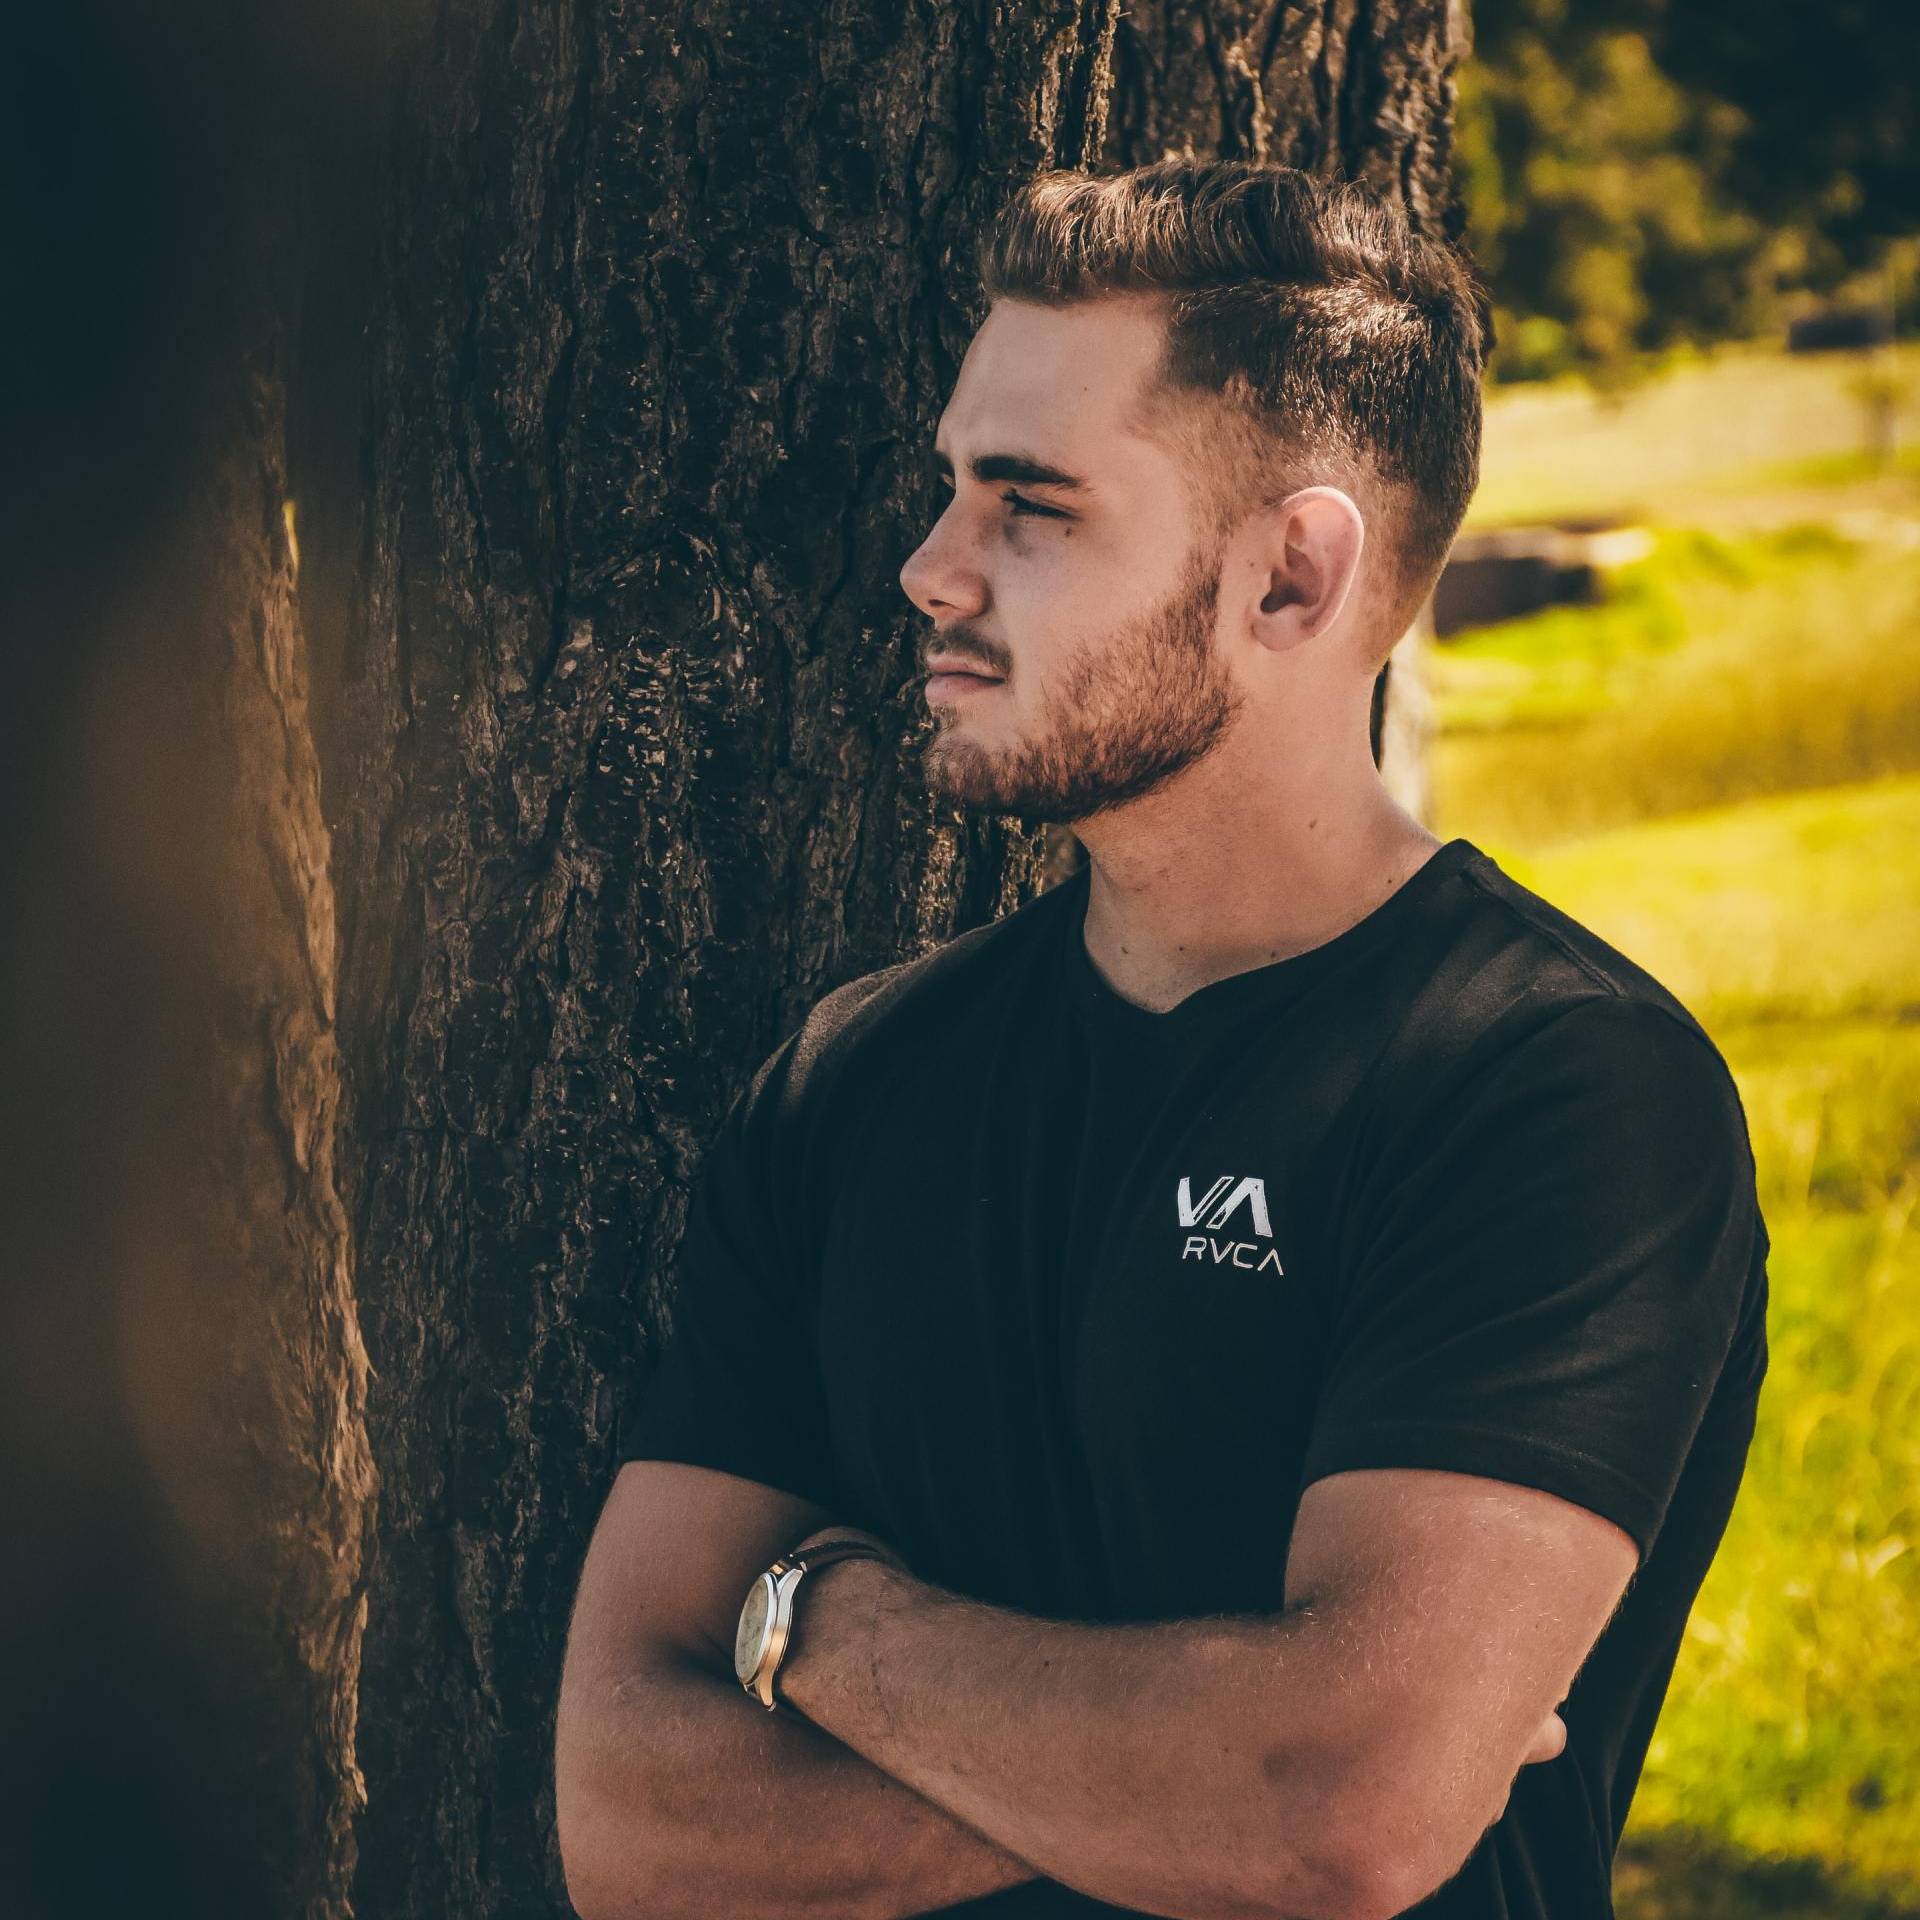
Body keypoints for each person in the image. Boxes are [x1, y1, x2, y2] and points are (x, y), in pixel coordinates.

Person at [554, 159, 1769, 1920]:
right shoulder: (851, 1083)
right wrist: (1214, 1769)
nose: (925, 569)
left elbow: (1331, 1817)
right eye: (951, 489)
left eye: (1029, 507)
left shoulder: (1556, 1090)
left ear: (1292, 580)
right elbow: (631, 1825)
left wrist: (818, 1622)